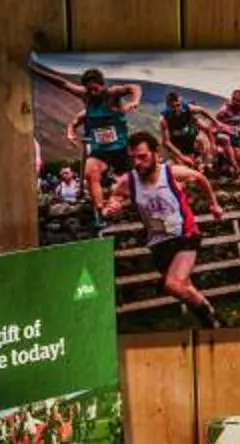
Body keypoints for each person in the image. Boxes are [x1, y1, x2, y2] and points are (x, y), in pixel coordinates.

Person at [102, 129, 224, 327]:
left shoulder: (171, 173)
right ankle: (213, 320)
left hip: (185, 234)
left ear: (156, 153)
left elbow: (200, 178)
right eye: (133, 158)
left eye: (142, 157)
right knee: (184, 287)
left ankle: (210, 320)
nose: (138, 163)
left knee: (173, 284)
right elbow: (114, 200)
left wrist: (213, 204)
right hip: (158, 241)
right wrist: (110, 208)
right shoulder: (128, 181)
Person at [72, 69, 139, 218]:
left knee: (130, 184)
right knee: (90, 171)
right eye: (89, 90)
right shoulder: (87, 101)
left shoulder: (112, 93)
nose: (93, 93)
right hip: (101, 151)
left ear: (102, 85)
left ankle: (124, 204)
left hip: (121, 149)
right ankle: (100, 211)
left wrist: (135, 100)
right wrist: (71, 132)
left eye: (95, 89)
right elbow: (63, 84)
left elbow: (133, 87)